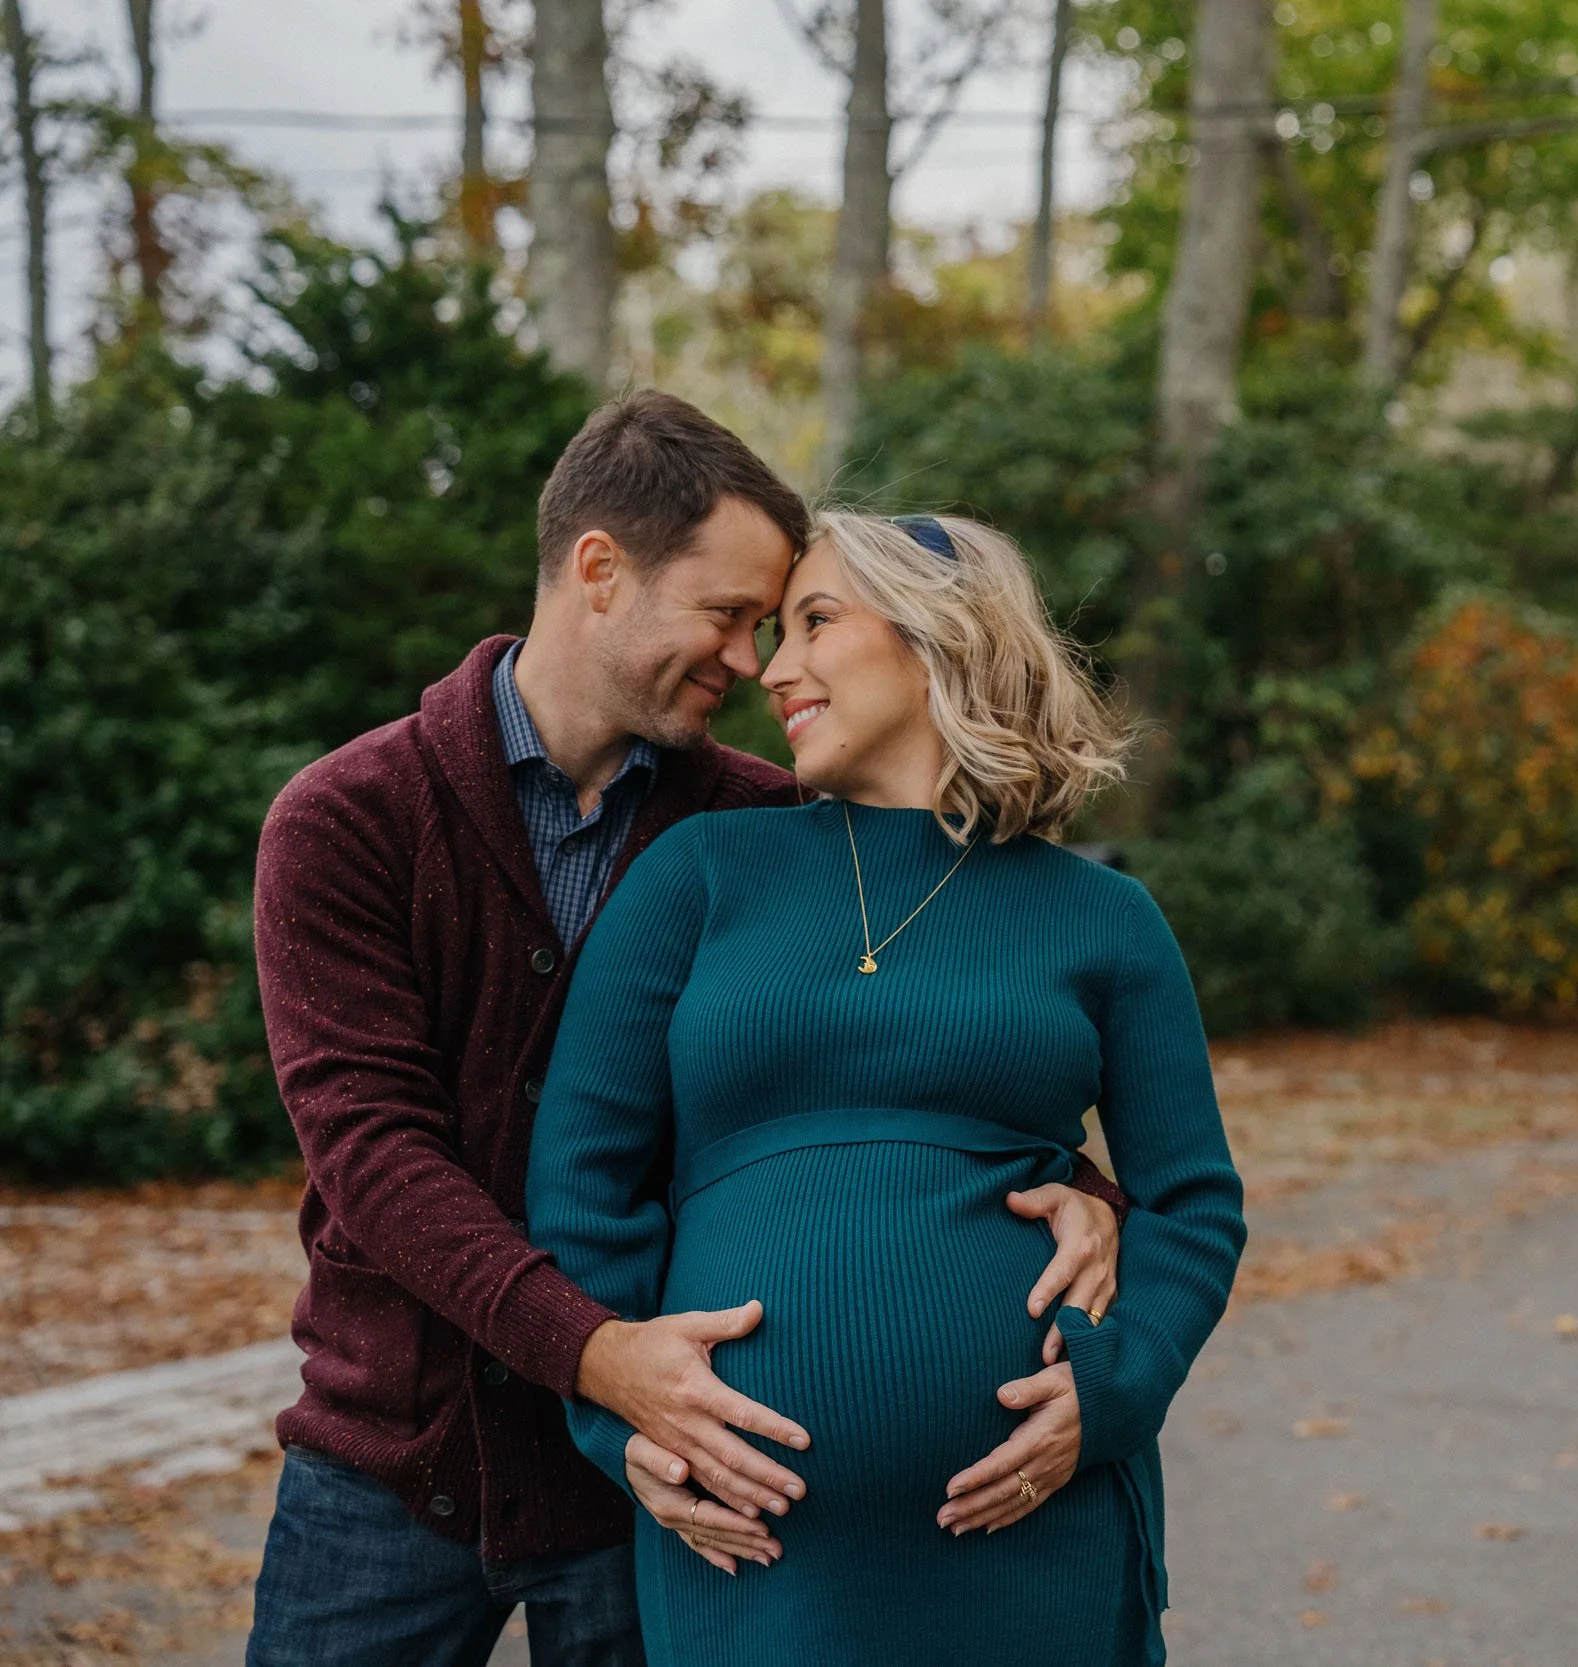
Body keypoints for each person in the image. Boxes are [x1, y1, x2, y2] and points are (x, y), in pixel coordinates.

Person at [245, 394, 1128, 1667]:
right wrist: (596, 1355)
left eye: (774, 622)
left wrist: (1081, 1186)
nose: (752, 659)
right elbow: (374, 1155)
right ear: (599, 570)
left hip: (661, 1478)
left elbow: (931, 1051)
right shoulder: (350, 819)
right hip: (398, 1467)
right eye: (726, 613)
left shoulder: (775, 833)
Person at [526, 509, 1245, 1666]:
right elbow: (582, 1185)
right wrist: (625, 1425)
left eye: (814, 621)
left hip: (1032, 1536)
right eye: (770, 629)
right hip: (751, 1546)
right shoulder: (701, 875)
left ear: (939, 637)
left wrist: (1115, 1391)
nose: (773, 667)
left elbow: (1194, 1204)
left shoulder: (1105, 918)